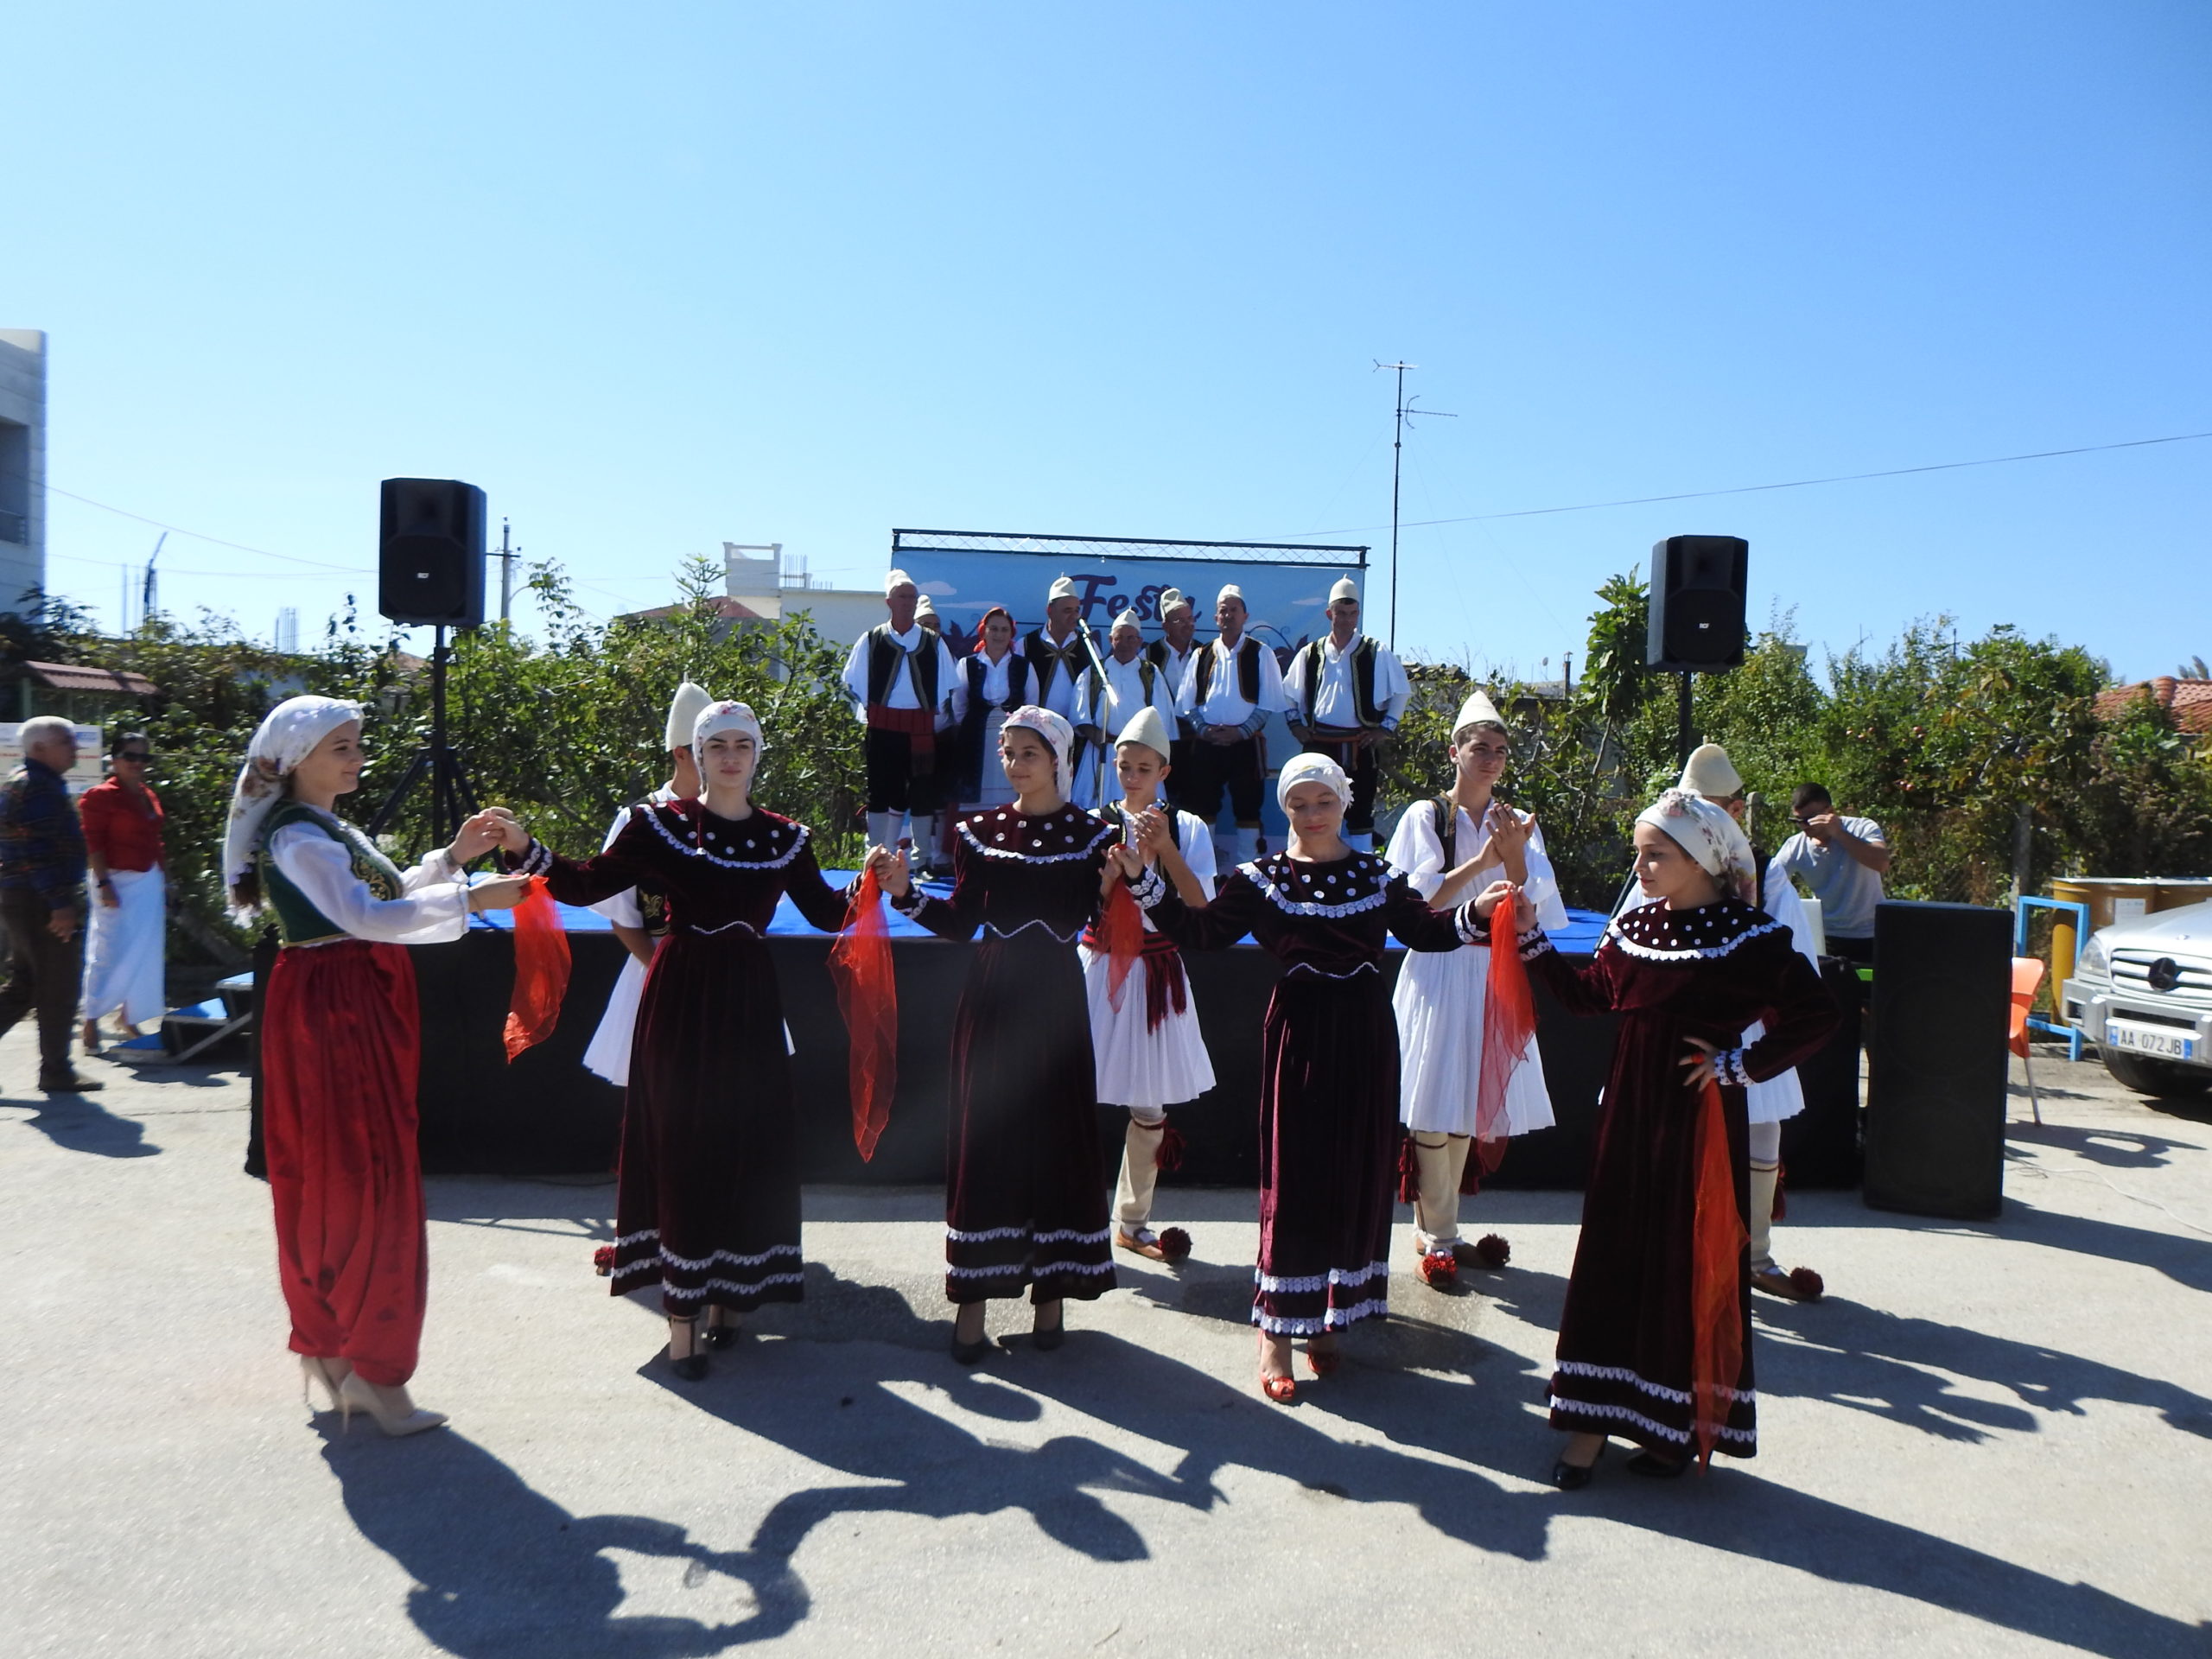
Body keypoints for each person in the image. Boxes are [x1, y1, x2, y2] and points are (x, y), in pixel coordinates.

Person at [501, 701, 860, 1380]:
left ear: (758, 755)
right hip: (682, 997)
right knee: (684, 1138)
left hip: (750, 1002)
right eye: (715, 745)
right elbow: (585, 883)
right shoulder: (657, 827)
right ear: (695, 754)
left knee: (742, 1141)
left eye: (742, 745)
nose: (729, 756)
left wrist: (883, 886)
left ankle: (731, 1297)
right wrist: (526, 847)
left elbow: (828, 912)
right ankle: (683, 1318)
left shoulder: (786, 837)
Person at [1116, 753, 1488, 1402]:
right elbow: (1204, 932)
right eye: (1298, 804)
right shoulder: (1262, 878)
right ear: (1283, 808)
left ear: (1344, 803)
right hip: (1303, 1032)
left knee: (1353, 1174)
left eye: (1323, 802)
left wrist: (1483, 907)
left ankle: (1329, 1316)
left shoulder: (1376, 874)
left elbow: (1426, 933)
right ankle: (1276, 1333)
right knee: (1298, 1178)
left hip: (1368, 1034)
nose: (1311, 815)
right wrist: (1148, 879)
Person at [1510, 789, 1836, 1488]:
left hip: (1697, 1125)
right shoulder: (1637, 927)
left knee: (1682, 1262)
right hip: (1631, 1110)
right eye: (1640, 854)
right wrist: (1531, 934)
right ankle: (1588, 1427)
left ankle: (1670, 1429)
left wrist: (1737, 1066)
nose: (1643, 867)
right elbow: (1588, 997)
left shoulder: (1752, 938)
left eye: (1655, 854)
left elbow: (1817, 1014)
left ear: (1701, 859)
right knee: (1613, 1254)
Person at [225, 696, 529, 1435]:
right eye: (341, 748)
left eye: (357, 744)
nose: (357, 757)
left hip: (345, 996)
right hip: (337, 1008)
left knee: (339, 1173)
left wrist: (453, 859)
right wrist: (471, 896)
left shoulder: (320, 827)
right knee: (364, 1176)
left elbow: (379, 898)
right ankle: (370, 1370)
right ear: (299, 762)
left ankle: (338, 1357)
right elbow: (361, 919)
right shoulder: (300, 836)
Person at [868, 706, 1122, 1363]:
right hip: (993, 995)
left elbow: (1106, 920)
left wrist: (1127, 881)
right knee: (988, 1139)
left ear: (1058, 759)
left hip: (1058, 1001)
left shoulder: (1095, 837)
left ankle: (1051, 1300)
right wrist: (903, 892)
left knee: (1055, 1137)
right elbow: (958, 922)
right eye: (1007, 753)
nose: (1013, 765)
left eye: (1028, 754)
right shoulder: (977, 833)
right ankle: (972, 1310)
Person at [1384, 690, 1566, 1286]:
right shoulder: (1426, 816)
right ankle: (1437, 1233)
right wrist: (1482, 859)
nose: (1491, 758)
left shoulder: (1517, 821)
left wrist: (1511, 860)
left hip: (1491, 970)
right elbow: (1415, 903)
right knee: (1434, 1099)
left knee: (1467, 1098)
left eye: (1500, 750)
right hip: (1440, 962)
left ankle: (1439, 1229)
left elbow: (1533, 910)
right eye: (1479, 748)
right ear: (1454, 752)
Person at [1676, 745, 1827, 1302]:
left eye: (1715, 807)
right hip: (1684, 1026)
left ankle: (1755, 1257)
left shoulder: (1766, 872)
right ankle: (1681, 1253)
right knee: (1678, 1138)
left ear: (1737, 811)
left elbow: (1794, 958)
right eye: (1693, 807)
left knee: (1764, 1130)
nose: (1703, 819)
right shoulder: (1663, 858)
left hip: (1750, 1023)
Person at [1077, 705, 1216, 1262]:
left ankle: (1131, 1221)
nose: (1131, 776)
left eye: (1143, 767)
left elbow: (1200, 901)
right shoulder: (1091, 822)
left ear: (1164, 771)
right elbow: (1074, 905)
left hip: (1158, 970)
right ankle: (1070, 1214)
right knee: (1073, 1089)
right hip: (1099, 965)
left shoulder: (1186, 826)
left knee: (1151, 1105)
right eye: (1124, 766)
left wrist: (1165, 851)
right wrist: (1108, 877)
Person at [580, 682, 709, 1090]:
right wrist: (662, 971)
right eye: (709, 749)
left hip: (725, 975)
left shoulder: (741, 818)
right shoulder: (638, 820)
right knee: (660, 1095)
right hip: (656, 973)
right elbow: (621, 915)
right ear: (681, 753)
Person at [841, 570, 964, 874]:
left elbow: (948, 684)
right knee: (881, 792)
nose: (908, 602)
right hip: (882, 727)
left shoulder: (933, 643)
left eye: (911, 596)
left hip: (920, 727)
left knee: (923, 792)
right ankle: (876, 855)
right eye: (902, 596)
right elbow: (853, 681)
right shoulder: (871, 639)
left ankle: (922, 859)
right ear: (889, 602)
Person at [0, 715, 97, 1093]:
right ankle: (56, 1070)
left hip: (22, 896)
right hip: (40, 898)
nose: (75, 748)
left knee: (25, 985)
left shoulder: (24, 781)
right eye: (66, 741)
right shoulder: (38, 787)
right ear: (39, 747)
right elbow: (35, 852)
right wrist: (60, 904)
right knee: (57, 986)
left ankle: (56, 1067)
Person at [1281, 577, 1408, 852]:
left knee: (1360, 810)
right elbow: (1288, 693)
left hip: (1360, 742)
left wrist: (1384, 729)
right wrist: (1295, 725)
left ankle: (1363, 867)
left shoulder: (1376, 651)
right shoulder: (1311, 653)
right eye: (1341, 613)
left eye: (1352, 614)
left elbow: (1401, 692)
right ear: (1330, 614)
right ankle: (1317, 862)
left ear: (1358, 614)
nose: (1347, 620)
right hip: (1319, 743)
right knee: (1316, 807)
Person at [1173, 583, 1291, 868]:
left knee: (1248, 808)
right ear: (1215, 619)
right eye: (1223, 611)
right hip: (1206, 743)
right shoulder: (1202, 655)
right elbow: (1187, 703)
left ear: (1245, 616)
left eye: (1233, 610)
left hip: (1246, 743)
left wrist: (1241, 731)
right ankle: (1203, 871)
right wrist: (1204, 730)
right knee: (1203, 807)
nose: (1228, 616)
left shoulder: (1260, 652)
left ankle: (1247, 873)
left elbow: (1269, 703)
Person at [78, 732, 168, 1053]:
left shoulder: (148, 795)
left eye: (145, 758)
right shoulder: (99, 796)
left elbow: (156, 841)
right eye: (131, 756)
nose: (138, 763)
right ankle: (90, 1019)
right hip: (114, 878)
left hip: (149, 880)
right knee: (108, 949)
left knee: (145, 952)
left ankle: (129, 1016)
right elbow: (94, 843)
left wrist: (166, 881)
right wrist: (103, 883)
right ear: (114, 759)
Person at [1071, 608, 1181, 810]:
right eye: (1120, 638)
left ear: (1139, 641)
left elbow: (1162, 720)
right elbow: (1080, 715)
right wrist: (1098, 737)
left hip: (1139, 758)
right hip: (1100, 752)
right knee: (1097, 810)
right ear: (1111, 639)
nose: (1125, 643)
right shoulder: (1094, 672)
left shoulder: (1150, 673)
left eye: (1131, 638)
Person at [1772, 783, 1889, 965]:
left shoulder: (1861, 828)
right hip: (1826, 935)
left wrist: (1838, 833)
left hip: (1870, 933)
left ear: (1830, 811)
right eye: (1797, 821)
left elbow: (1880, 863)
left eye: (1811, 819)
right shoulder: (1795, 846)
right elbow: (1771, 883)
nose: (1804, 826)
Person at [954, 605, 1032, 813]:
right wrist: (972, 727)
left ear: (1011, 634)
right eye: (994, 629)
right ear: (984, 631)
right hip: (975, 738)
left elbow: (1032, 705)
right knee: (976, 795)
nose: (999, 634)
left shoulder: (1023, 665)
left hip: (1013, 739)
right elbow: (959, 705)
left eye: (1004, 630)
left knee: (1009, 793)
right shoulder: (967, 664)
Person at [1142, 588, 1201, 810]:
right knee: (1167, 797)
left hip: (1198, 739)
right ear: (1165, 625)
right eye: (1180, 620)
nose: (1188, 625)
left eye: (1190, 619)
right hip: (1163, 740)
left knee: (1199, 796)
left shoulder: (1205, 652)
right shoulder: (1148, 656)